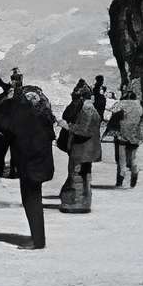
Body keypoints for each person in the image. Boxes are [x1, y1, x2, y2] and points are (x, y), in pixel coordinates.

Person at [3, 80, 58, 249]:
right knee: (34, 201)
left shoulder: (28, 121)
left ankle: (37, 240)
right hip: (41, 165)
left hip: (31, 167)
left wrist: (11, 99)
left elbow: (2, 118)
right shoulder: (43, 118)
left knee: (31, 202)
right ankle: (37, 238)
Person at [57, 82, 103, 215]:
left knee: (77, 176)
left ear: (82, 97)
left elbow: (84, 130)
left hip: (82, 150)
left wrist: (67, 126)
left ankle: (78, 204)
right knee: (83, 176)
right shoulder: (89, 108)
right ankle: (83, 202)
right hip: (86, 150)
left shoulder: (86, 109)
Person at [108, 80, 143, 189]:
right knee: (133, 157)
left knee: (122, 159)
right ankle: (134, 172)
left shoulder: (122, 104)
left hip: (122, 134)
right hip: (135, 135)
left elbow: (112, 111)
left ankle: (121, 180)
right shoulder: (139, 105)